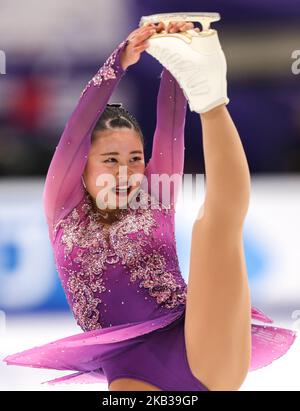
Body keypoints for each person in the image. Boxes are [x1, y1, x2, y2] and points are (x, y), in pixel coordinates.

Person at [3, 20, 297, 391]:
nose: (126, 172)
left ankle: (210, 96)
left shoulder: (155, 194)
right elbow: (76, 130)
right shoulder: (62, 206)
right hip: (131, 372)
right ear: (81, 165)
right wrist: (119, 61)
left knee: (212, 225)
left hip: (202, 344)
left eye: (135, 159)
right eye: (110, 159)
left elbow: (171, 116)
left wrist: (171, 50)